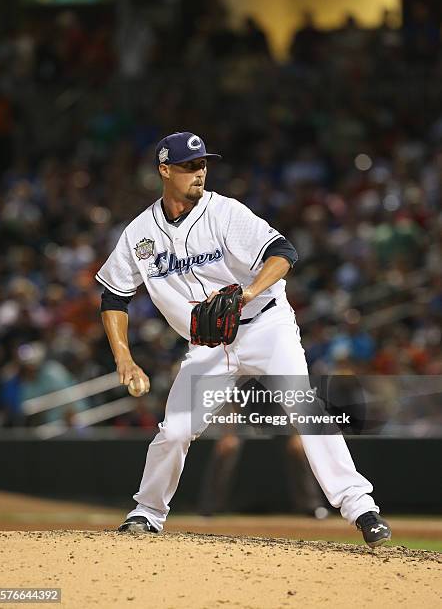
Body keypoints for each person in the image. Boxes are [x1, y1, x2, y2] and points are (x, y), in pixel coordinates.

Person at [96, 131, 391, 547]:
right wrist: (123, 358)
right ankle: (146, 513)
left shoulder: (225, 213)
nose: (199, 172)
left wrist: (247, 293)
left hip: (265, 328)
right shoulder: (140, 234)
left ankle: (362, 508)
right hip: (208, 346)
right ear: (164, 171)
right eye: (188, 166)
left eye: (202, 164)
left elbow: (283, 252)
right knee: (176, 431)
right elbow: (113, 295)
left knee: (304, 407)